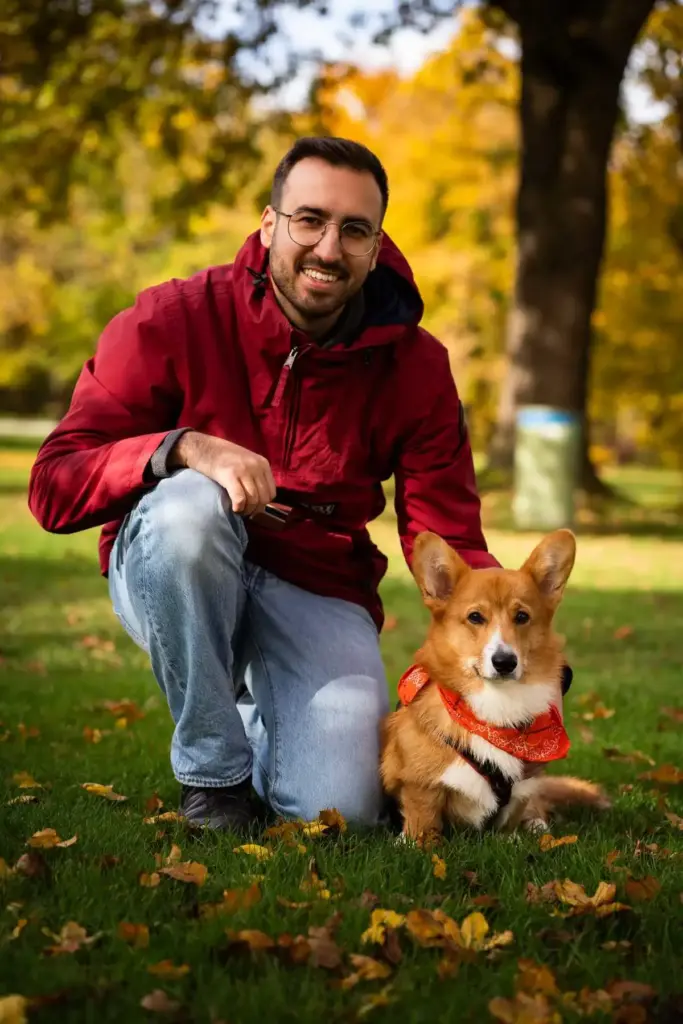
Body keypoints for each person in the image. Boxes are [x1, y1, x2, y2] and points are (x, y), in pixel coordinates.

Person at [28, 136, 499, 833]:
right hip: (172, 565)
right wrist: (181, 448)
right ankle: (213, 775)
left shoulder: (418, 365)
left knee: (344, 810)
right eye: (308, 219)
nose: (328, 248)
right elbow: (54, 485)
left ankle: (258, 699)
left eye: (353, 230)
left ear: (375, 246)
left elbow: (446, 530)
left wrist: (501, 639)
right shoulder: (171, 318)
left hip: (316, 582)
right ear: (268, 222)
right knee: (188, 512)